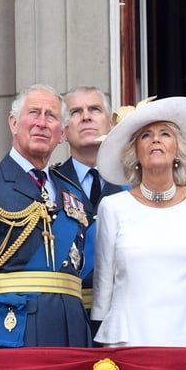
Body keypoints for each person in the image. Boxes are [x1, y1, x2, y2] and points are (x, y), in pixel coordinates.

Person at [0, 84, 93, 349]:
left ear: (62, 134)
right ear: (13, 123)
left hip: (72, 339)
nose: (41, 123)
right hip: (10, 336)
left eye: (51, 116)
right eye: (33, 113)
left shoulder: (74, 194)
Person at [91, 96, 186, 346]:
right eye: (146, 135)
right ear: (134, 153)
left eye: (165, 133)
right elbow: (104, 288)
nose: (156, 139)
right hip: (131, 341)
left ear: (178, 149)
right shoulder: (113, 207)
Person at [54, 86, 124, 313]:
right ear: (63, 132)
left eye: (95, 109)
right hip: (69, 314)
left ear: (111, 125)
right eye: (75, 112)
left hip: (122, 314)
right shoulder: (49, 185)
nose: (86, 116)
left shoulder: (133, 185)